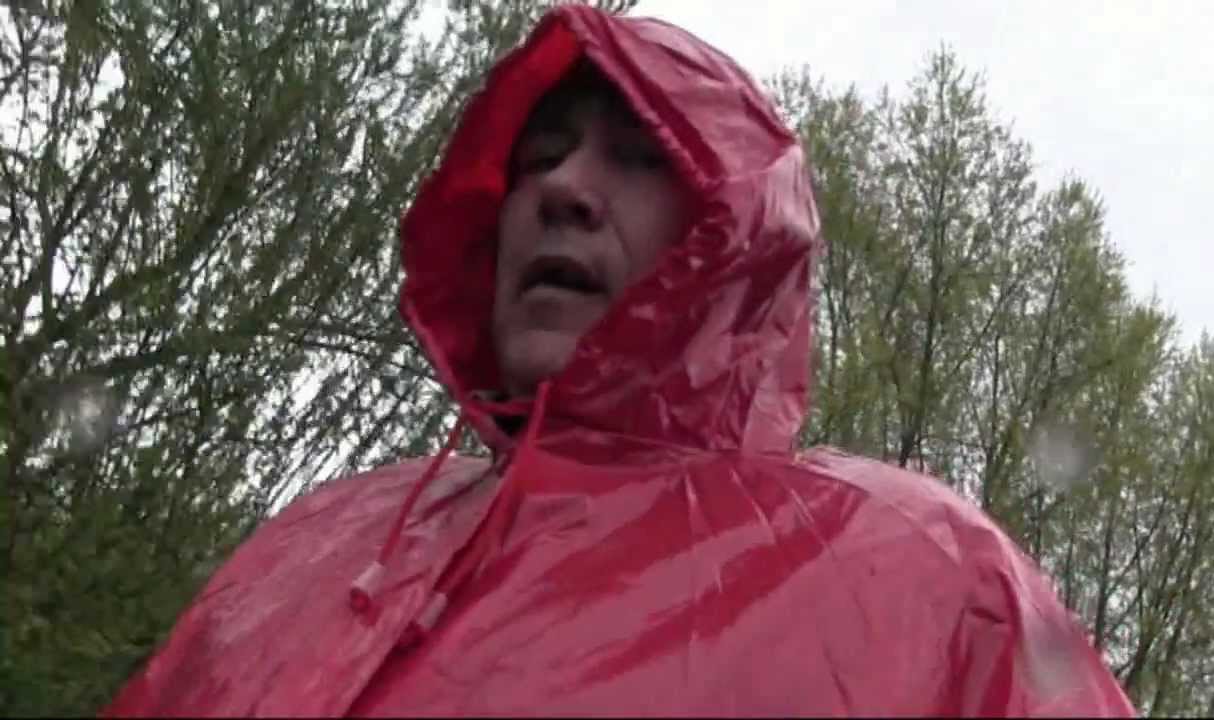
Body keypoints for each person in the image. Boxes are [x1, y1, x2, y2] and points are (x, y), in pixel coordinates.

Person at [104, 5, 1136, 717]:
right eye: (540, 154)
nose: (564, 188)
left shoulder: (918, 572)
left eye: (640, 156)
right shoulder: (316, 546)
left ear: (737, 234)